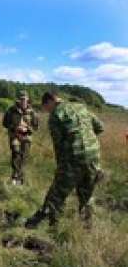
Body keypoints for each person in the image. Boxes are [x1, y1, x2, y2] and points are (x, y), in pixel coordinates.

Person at [25, 91, 104, 229]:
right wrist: (86, 139)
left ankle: (54, 228)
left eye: (45, 107)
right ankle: (87, 228)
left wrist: (61, 168)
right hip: (93, 157)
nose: (46, 111)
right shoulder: (80, 107)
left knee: (57, 194)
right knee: (87, 194)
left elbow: (59, 145)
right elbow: (100, 127)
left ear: (50, 101)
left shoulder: (56, 115)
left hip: (73, 158)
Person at [2, 90, 39, 185]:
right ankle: (14, 176)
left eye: (24, 99)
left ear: (28, 99)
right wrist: (15, 127)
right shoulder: (11, 110)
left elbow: (36, 126)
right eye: (21, 99)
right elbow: (5, 123)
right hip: (15, 136)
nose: (23, 101)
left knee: (24, 157)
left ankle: (20, 178)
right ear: (18, 100)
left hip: (26, 137)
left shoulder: (32, 112)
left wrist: (27, 129)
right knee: (15, 154)